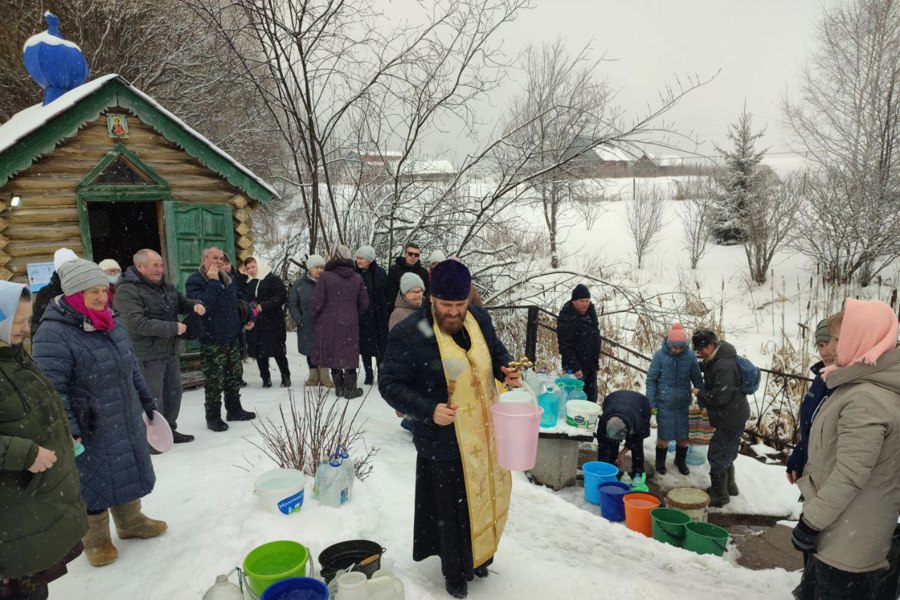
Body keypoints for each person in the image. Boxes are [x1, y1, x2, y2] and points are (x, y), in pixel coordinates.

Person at [379, 259, 521, 599]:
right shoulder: (410, 333)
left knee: (482, 499)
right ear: (431, 299)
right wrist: (428, 409)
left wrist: (507, 370)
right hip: (442, 440)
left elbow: (495, 352)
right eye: (447, 305)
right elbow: (389, 384)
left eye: (460, 305)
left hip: (484, 437)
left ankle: (480, 556)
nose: (455, 313)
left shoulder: (479, 319)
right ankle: (454, 572)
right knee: (451, 510)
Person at [32, 259, 166, 568]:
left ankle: (131, 522)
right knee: (92, 480)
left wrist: (146, 401)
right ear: (73, 294)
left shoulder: (111, 319)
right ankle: (95, 540)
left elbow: (131, 365)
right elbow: (53, 389)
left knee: (125, 467)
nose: (100, 297)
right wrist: (70, 427)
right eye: (91, 292)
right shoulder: (53, 333)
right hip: (88, 422)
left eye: (103, 290)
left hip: (123, 412)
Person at [791, 300, 900, 599]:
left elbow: (850, 474)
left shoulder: (867, 397)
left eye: (837, 339)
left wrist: (810, 523)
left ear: (862, 339)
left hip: (847, 541)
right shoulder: (856, 384)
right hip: (844, 529)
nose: (830, 347)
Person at [0, 281, 86, 599]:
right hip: (11, 513)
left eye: (26, 319)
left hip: (27, 508)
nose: (25, 328)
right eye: (17, 321)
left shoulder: (14, 358)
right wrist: (23, 453)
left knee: (35, 590)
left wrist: (64, 432)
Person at [115, 249, 206, 444]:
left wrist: (194, 305)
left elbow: (180, 303)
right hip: (146, 355)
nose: (160, 269)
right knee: (152, 398)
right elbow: (136, 324)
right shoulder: (127, 290)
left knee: (173, 394)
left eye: (161, 265)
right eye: (155, 265)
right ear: (140, 266)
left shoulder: (165, 285)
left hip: (170, 350)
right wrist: (173, 328)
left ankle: (169, 430)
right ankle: (151, 439)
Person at [185, 247, 256, 431]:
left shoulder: (228, 279)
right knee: (214, 381)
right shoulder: (195, 280)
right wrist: (214, 281)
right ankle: (213, 417)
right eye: (214, 258)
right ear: (204, 259)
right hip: (212, 340)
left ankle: (234, 410)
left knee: (234, 376)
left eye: (221, 258)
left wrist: (248, 317)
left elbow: (240, 301)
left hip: (232, 337)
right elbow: (202, 304)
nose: (218, 261)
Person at [690, 329, 750, 507]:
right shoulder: (718, 358)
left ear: (710, 345)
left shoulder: (723, 365)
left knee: (716, 453)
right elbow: (707, 367)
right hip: (735, 415)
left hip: (729, 417)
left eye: (701, 350)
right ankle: (729, 486)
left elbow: (720, 396)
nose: (700, 354)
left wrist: (701, 392)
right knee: (727, 452)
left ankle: (719, 494)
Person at [310, 245, 368, 399]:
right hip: (350, 322)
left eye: (330, 255)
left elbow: (317, 302)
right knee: (349, 354)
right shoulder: (357, 277)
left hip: (328, 323)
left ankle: (339, 388)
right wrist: (353, 313)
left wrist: (315, 316)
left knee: (333, 354)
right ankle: (351, 389)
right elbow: (364, 303)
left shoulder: (325, 277)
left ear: (335, 257)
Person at [646, 322, 704, 476]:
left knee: (683, 437)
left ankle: (680, 460)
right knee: (664, 437)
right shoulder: (660, 356)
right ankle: (660, 462)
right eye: (675, 347)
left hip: (683, 403)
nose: (678, 350)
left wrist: (702, 397)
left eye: (681, 347)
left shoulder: (690, 357)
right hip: (664, 402)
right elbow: (651, 380)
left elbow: (697, 379)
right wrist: (651, 402)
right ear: (669, 344)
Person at [786, 319, 834, 484]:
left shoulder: (851, 384)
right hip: (813, 473)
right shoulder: (821, 378)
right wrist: (799, 457)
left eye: (831, 342)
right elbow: (811, 427)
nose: (826, 351)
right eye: (820, 345)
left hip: (829, 481)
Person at [242, 256, 290, 388]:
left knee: (278, 351)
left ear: (259, 265)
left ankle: (285, 376)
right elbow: (244, 300)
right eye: (248, 268)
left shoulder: (272, 279)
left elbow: (281, 296)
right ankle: (265, 378)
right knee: (260, 352)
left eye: (253, 266)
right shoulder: (247, 282)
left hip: (273, 321)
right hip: (256, 322)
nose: (251, 270)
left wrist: (265, 305)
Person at [287, 254, 332, 387]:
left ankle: (325, 377)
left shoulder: (328, 283)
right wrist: (299, 319)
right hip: (307, 324)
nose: (320, 270)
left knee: (324, 349)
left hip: (325, 324)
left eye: (322, 267)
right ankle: (313, 377)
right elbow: (292, 303)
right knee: (310, 350)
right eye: (317, 267)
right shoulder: (300, 284)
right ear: (309, 269)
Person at [556, 284, 602, 403]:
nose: (585, 304)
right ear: (574, 301)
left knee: (591, 399)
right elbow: (565, 346)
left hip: (590, 364)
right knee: (574, 400)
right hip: (575, 367)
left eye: (587, 301)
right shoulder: (566, 317)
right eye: (582, 301)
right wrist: (575, 368)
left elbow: (594, 334)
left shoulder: (590, 312)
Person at [596, 390, 652, 478]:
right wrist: (604, 463)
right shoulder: (604, 420)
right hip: (612, 399)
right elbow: (602, 442)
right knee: (609, 443)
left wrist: (622, 454)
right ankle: (609, 467)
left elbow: (636, 440)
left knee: (637, 444)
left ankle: (638, 472)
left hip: (641, 404)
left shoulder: (637, 423)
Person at [355, 245, 388, 385]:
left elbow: (385, 293)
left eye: (361, 258)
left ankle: (381, 373)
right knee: (365, 347)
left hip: (379, 314)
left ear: (369, 260)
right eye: (357, 258)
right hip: (362, 315)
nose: (358, 261)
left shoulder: (380, 273)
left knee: (381, 347)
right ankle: (369, 373)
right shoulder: (355, 273)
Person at [31, 247, 77, 337]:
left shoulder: (84, 289)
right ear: (58, 270)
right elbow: (36, 323)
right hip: (54, 340)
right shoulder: (45, 292)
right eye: (66, 268)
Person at [385, 242, 430, 307]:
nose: (413, 256)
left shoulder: (423, 272)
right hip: (399, 308)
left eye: (416, 255)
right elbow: (390, 294)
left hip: (418, 309)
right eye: (410, 254)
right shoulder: (394, 270)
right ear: (405, 254)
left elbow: (426, 292)